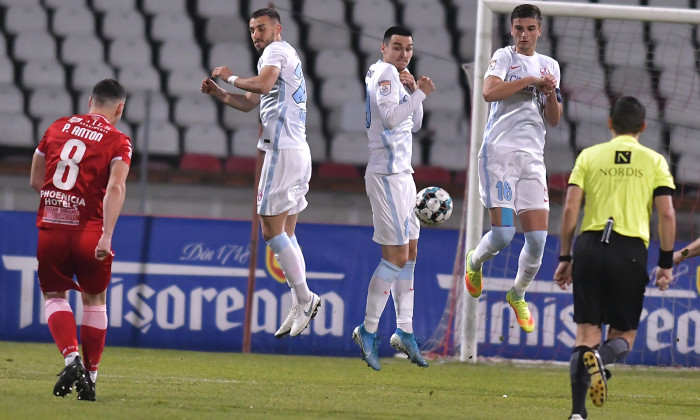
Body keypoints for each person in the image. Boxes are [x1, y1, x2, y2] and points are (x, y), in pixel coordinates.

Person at [553, 96, 676, 420]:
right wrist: (665, 262)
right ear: (644, 127)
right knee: (623, 336)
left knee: (585, 334)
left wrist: (565, 255)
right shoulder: (654, 161)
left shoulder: (589, 156)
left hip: (591, 245)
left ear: (610, 123)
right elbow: (667, 215)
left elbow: (569, 208)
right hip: (630, 250)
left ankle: (577, 414)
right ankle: (602, 360)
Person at [200, 7, 320, 338]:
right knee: (287, 233)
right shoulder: (283, 55)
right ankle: (300, 300)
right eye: (253, 29)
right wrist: (220, 93)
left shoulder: (276, 50)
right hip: (298, 150)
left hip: (281, 150)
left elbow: (263, 85)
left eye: (261, 28)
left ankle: (306, 298)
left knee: (270, 231)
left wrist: (228, 76)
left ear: (277, 28)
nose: (256, 34)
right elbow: (252, 101)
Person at [30, 79, 131, 401]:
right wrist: (107, 235)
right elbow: (116, 188)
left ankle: (71, 358)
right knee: (95, 300)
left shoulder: (57, 127)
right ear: (120, 108)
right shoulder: (118, 140)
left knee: (54, 295)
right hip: (90, 230)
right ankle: (91, 377)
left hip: (53, 227)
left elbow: (36, 179)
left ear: (90, 101)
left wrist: (60, 203)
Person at [464, 3, 562, 333]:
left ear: (539, 30)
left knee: (537, 240)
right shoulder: (505, 57)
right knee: (505, 234)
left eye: (530, 29)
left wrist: (549, 94)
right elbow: (489, 91)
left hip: (532, 158)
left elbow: (554, 119)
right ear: (511, 29)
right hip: (499, 155)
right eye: (519, 28)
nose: (524, 34)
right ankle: (474, 261)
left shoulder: (550, 66)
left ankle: (517, 293)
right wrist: (530, 81)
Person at [352, 26, 434, 371]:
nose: (403, 54)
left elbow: (412, 125)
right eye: (397, 47)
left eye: (408, 48)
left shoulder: (397, 76)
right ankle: (368, 330)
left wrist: (414, 92)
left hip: (403, 174)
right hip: (386, 175)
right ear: (383, 48)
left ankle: (405, 330)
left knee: (411, 250)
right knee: (398, 256)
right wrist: (421, 95)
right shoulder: (385, 73)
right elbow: (388, 120)